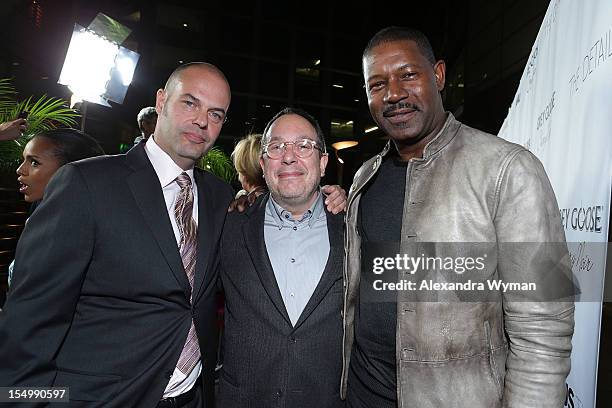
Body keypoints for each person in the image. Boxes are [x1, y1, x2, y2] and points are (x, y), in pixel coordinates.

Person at [342, 27, 574, 408]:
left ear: (439, 75)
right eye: (377, 84)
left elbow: (544, 328)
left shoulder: (509, 169)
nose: (394, 94)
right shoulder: (365, 176)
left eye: (408, 75)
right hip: (362, 396)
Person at [0, 62, 234, 407]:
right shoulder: (86, 183)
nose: (202, 120)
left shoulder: (220, 197)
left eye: (216, 114)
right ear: (161, 100)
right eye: (190, 103)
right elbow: (29, 321)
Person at [217, 108, 345, 408]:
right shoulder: (229, 225)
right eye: (276, 147)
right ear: (262, 164)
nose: (289, 156)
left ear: (323, 162)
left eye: (303, 145)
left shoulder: (355, 226)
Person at [8, 128, 104, 286]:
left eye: (34, 162)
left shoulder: (79, 234)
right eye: (24, 160)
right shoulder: (41, 213)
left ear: (72, 170)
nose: (20, 170)